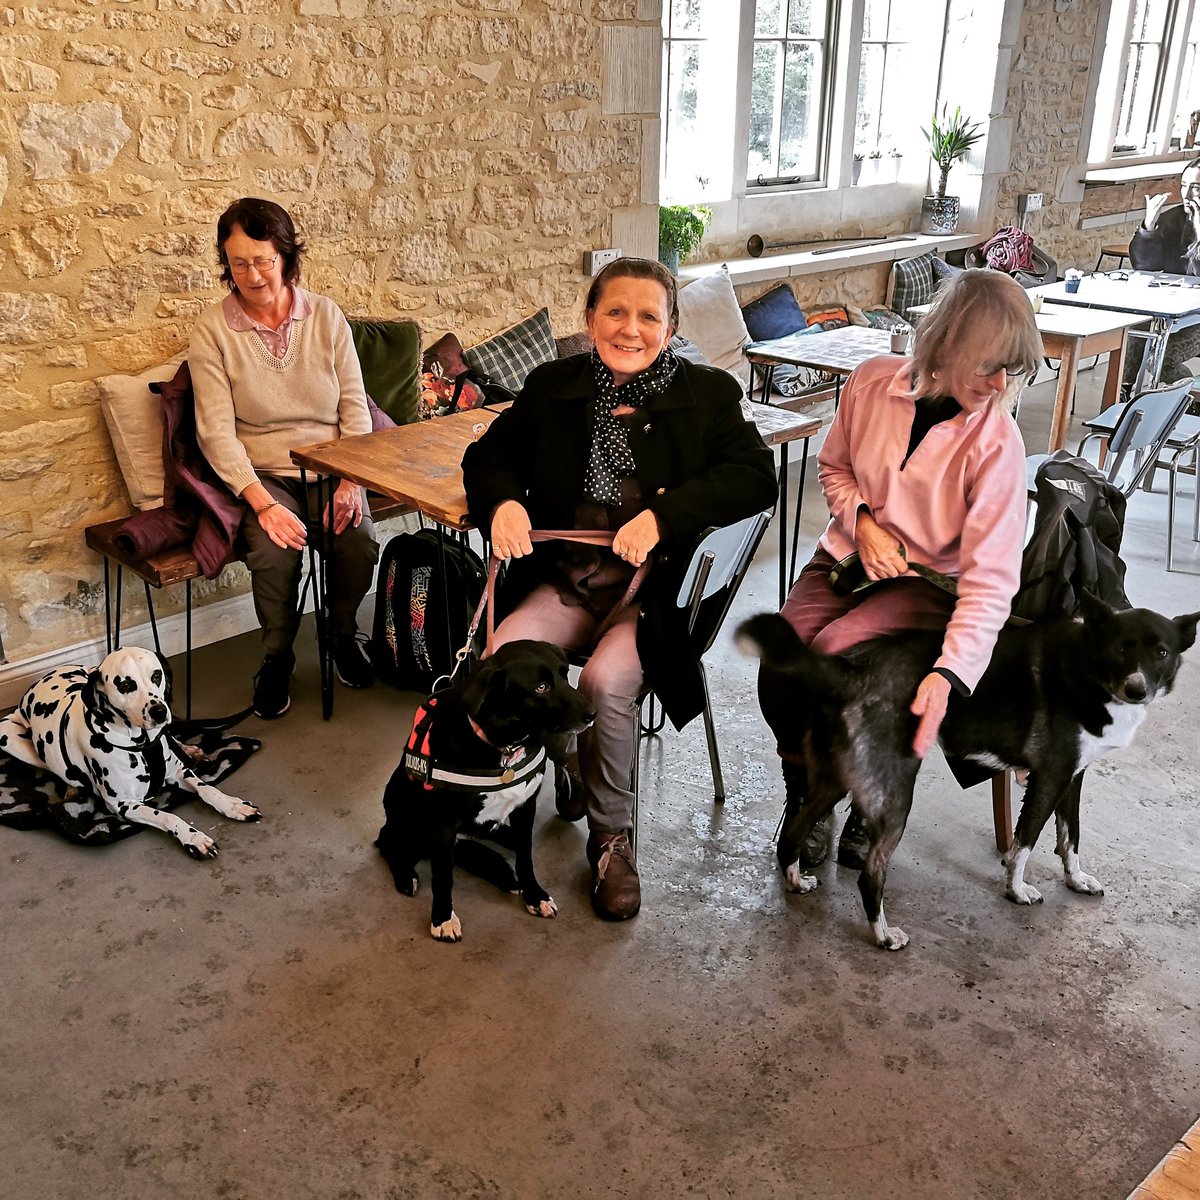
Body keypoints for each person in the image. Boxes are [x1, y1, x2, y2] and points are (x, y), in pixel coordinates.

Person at [461, 257, 777, 921]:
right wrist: (501, 506)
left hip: (651, 597)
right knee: (502, 658)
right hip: (568, 581)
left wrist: (665, 517)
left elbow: (754, 478)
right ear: (589, 319)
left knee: (605, 681)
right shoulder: (553, 385)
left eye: (647, 316)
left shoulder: (708, 395)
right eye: (615, 312)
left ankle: (609, 839)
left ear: (670, 325)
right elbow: (489, 456)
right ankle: (563, 760)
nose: (629, 329)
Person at [756, 268, 1042, 869]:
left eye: (1011, 370)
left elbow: (991, 581)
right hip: (845, 556)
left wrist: (952, 671)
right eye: (987, 364)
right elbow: (834, 468)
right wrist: (863, 523)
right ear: (946, 345)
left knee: (838, 656)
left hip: (928, 584)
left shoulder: (998, 444)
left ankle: (866, 797)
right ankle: (806, 795)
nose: (998, 383)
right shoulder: (870, 382)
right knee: (783, 662)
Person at [191, 197, 379, 719]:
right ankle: (275, 658)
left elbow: (354, 407)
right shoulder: (212, 329)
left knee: (359, 538)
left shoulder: (327, 315)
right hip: (264, 475)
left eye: (263, 260)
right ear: (225, 264)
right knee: (273, 554)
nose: (251, 274)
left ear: (287, 257)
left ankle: (343, 635)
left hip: (331, 464)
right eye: (238, 262)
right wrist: (261, 504)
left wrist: (351, 482)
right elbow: (215, 431)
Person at [1124, 156, 1200, 383]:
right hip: (1171, 308)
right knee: (1133, 335)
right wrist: (1149, 227)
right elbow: (1145, 265)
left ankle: (1187, 398)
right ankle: (1123, 394)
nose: (1186, 195)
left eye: (1195, 188)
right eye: (1184, 186)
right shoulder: (1173, 218)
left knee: (1162, 359)